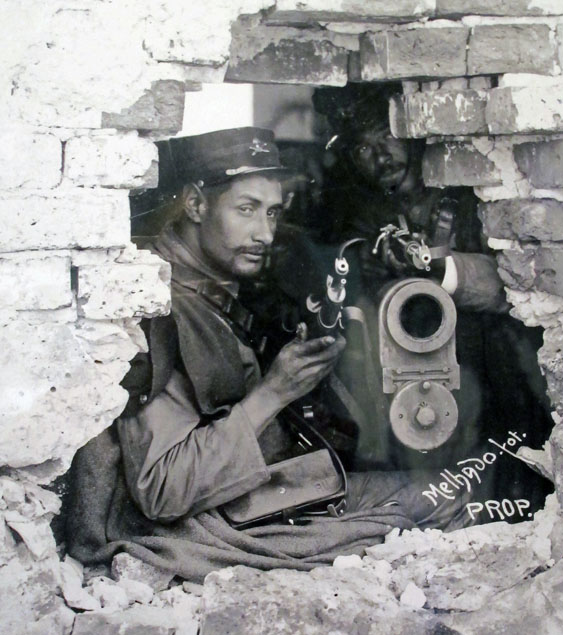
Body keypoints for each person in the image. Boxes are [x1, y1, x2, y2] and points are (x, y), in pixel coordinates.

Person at [66, 127, 466, 583]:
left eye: (273, 212)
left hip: (243, 493)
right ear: (195, 204)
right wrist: (275, 392)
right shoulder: (159, 309)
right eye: (247, 209)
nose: (265, 233)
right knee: (447, 495)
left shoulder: (202, 290)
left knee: (428, 483)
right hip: (205, 523)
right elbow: (162, 489)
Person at [279, 86, 554, 517]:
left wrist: (439, 268)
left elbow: (517, 283)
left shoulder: (469, 194)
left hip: (491, 366)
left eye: (385, 138)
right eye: (363, 149)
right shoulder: (364, 211)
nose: (380, 156)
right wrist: (373, 259)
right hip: (416, 374)